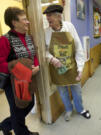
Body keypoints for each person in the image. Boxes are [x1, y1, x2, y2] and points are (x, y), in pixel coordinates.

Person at [43, 4, 91, 121]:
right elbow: (43, 51)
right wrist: (51, 59)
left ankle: (80, 109)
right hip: (57, 69)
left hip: (72, 66)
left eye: (50, 18)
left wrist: (80, 69)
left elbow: (79, 48)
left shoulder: (69, 27)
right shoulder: (46, 32)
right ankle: (68, 109)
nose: (48, 21)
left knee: (77, 90)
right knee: (63, 92)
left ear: (59, 17)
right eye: (47, 18)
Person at [0, 7, 39, 135]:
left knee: (29, 104)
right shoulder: (4, 40)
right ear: (14, 22)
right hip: (12, 83)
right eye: (24, 19)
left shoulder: (28, 38)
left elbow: (33, 55)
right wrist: (25, 71)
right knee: (18, 109)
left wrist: (36, 66)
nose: (28, 22)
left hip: (27, 80)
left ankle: (5, 125)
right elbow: (1, 64)